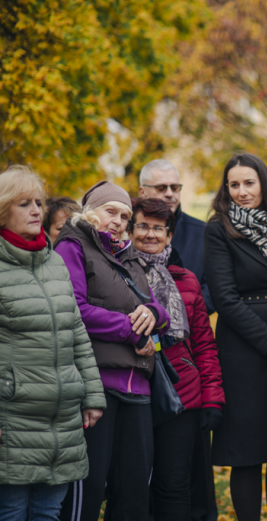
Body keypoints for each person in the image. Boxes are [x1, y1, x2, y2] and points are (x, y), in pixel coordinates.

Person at [55, 180, 170, 521]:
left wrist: (153, 315)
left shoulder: (127, 254)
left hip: (139, 388)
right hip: (96, 387)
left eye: (124, 215)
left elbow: (155, 308)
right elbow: (73, 309)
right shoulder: (72, 246)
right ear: (90, 212)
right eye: (111, 212)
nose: (119, 221)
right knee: (88, 492)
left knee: (134, 493)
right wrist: (131, 331)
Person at [0, 166, 105, 521]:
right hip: (14, 417)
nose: (35, 210)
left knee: (48, 513)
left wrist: (91, 395)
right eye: (23, 203)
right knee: (12, 512)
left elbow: (77, 333)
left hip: (62, 420)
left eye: (39, 203)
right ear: (3, 210)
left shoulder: (55, 263)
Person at [204, 152, 267, 521]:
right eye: (234, 185)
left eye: (249, 183)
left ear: (263, 184)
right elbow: (225, 299)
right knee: (246, 451)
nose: (242, 192)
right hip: (246, 348)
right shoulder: (219, 228)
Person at [129, 197, 225, 521]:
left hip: (182, 397)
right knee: (130, 488)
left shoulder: (186, 279)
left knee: (174, 488)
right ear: (131, 229)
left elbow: (203, 346)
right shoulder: (117, 275)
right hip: (132, 393)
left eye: (160, 228)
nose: (151, 234)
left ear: (170, 235)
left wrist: (212, 400)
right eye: (143, 226)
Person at [138, 159, 213, 314]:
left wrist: (180, 316)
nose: (170, 193)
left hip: (191, 329)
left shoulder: (202, 232)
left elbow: (213, 289)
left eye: (175, 187)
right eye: (161, 188)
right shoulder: (128, 231)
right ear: (142, 192)